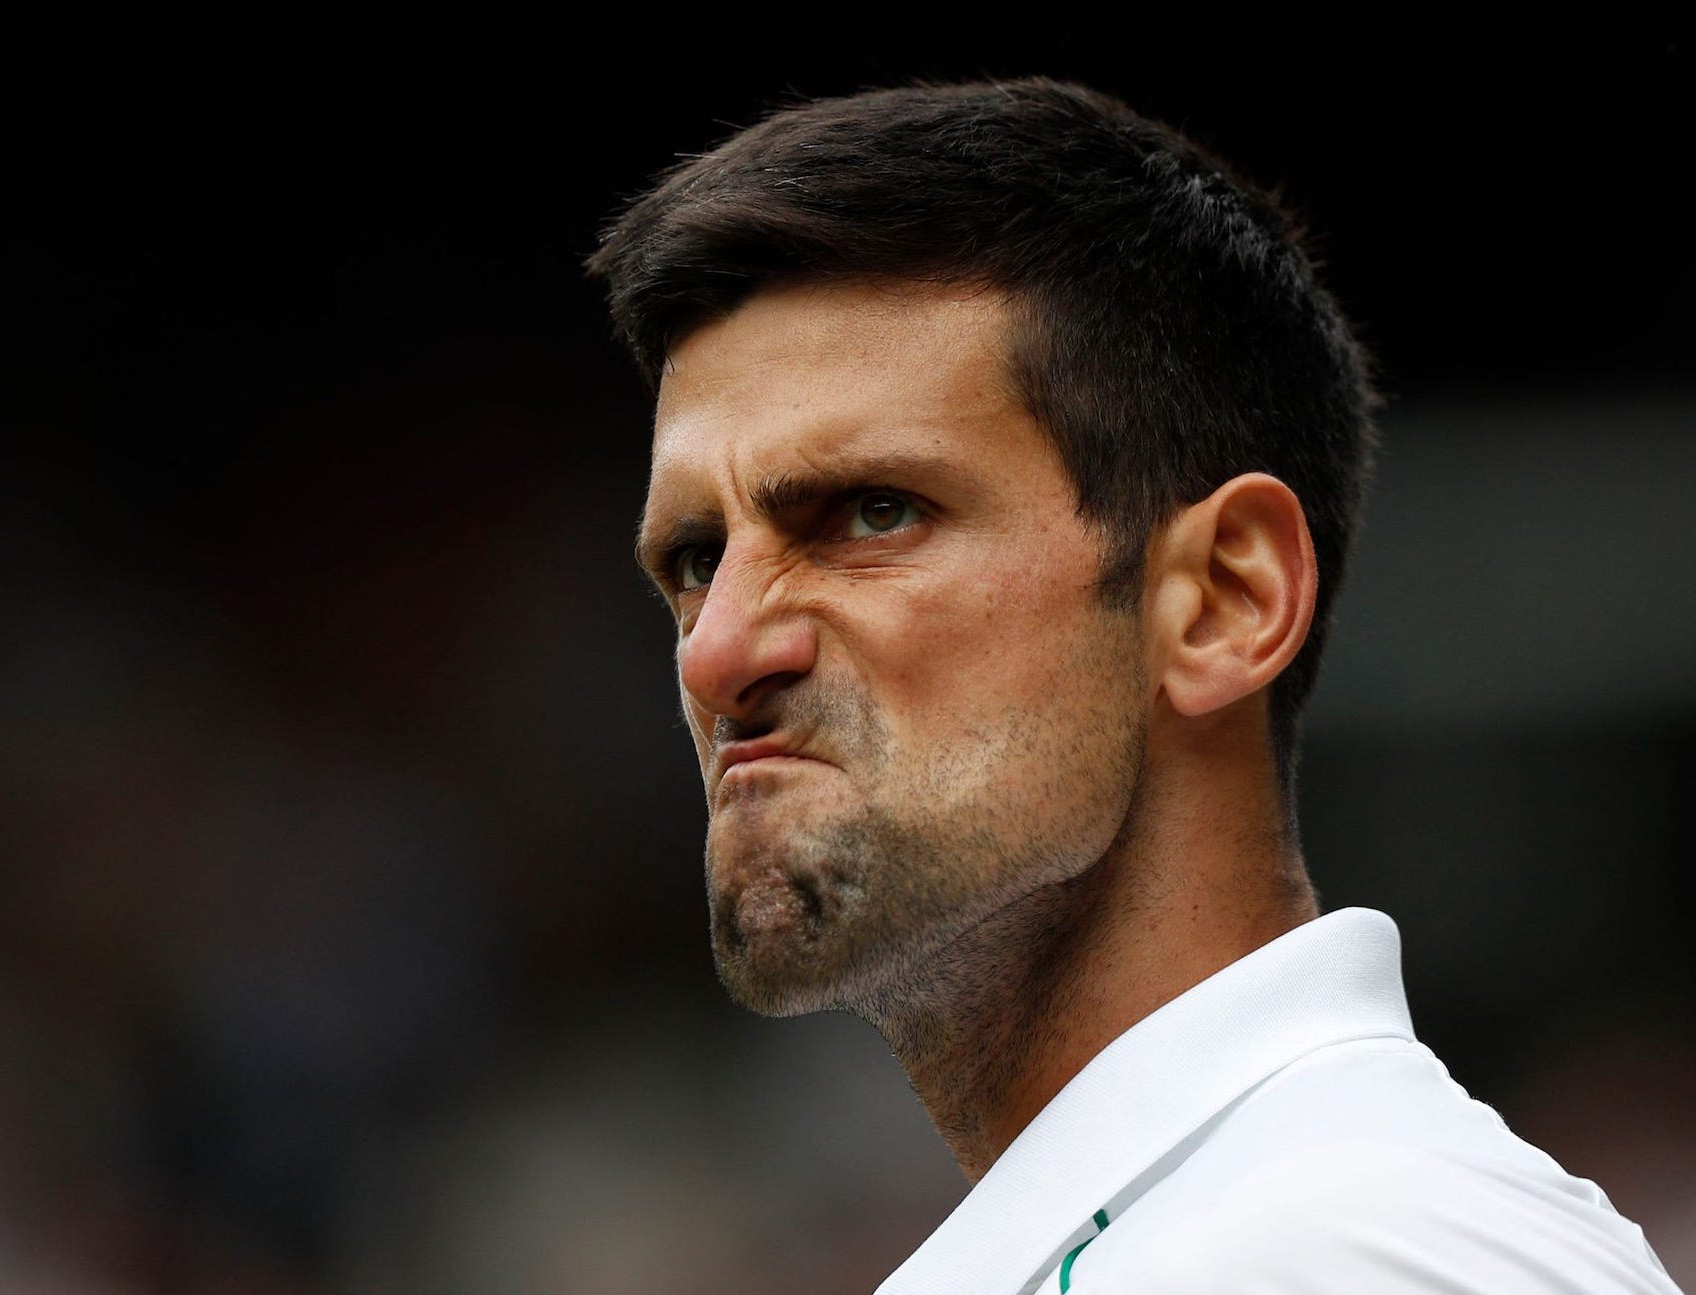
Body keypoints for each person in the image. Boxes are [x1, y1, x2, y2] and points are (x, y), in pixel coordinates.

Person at [587, 79, 1680, 1294]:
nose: (715, 650)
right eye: (694, 559)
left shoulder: (1362, 1248)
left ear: (1222, 598)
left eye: (870, 512)